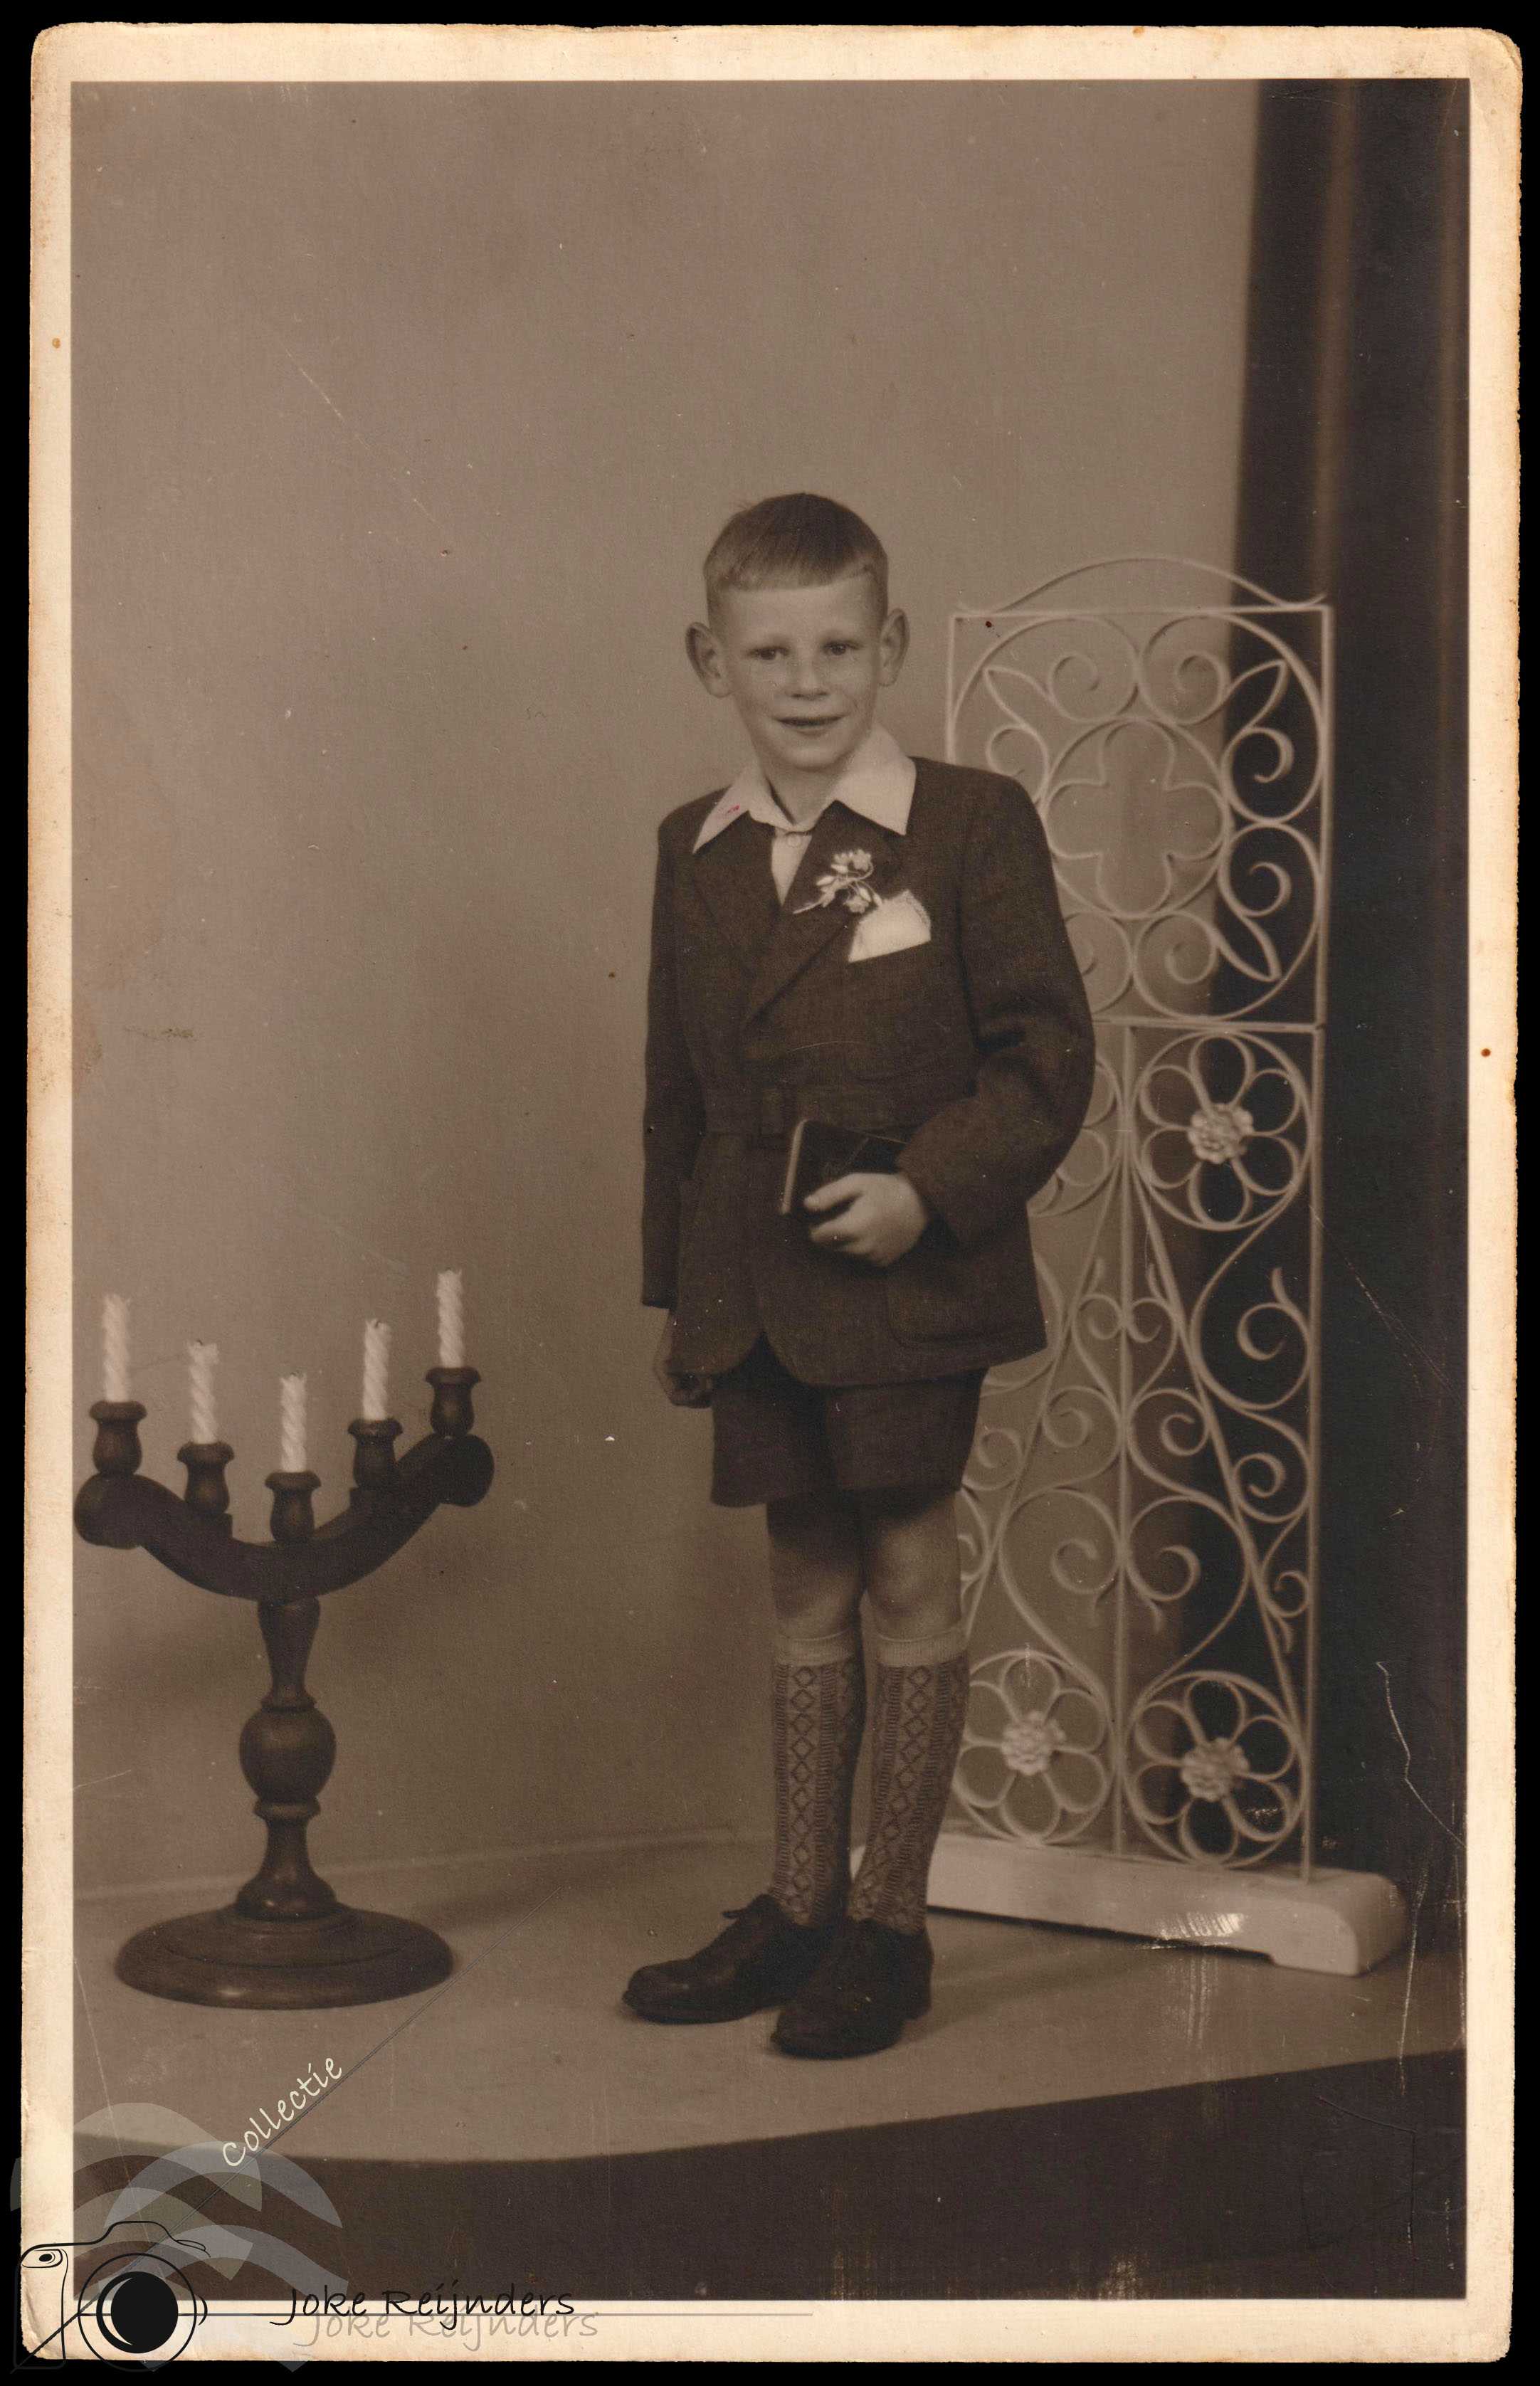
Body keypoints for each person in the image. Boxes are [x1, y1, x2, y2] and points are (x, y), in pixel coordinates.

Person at [623, 493, 1095, 2057]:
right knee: (803, 1579)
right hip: (754, 1283)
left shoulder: (967, 823)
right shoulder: (691, 849)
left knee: (903, 1570)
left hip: (904, 1276)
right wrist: (676, 1297)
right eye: (770, 652)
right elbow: (675, 1097)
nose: (807, 680)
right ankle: (798, 1906)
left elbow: (1045, 1057)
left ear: (887, 645)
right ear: (713, 662)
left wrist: (926, 1193)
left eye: (837, 646)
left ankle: (889, 1924)